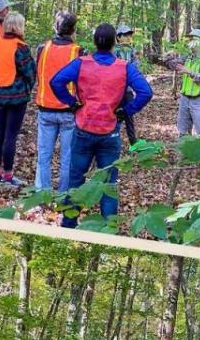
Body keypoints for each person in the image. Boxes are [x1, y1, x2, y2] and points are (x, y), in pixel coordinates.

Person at [51, 23, 153, 228]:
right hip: (109, 132)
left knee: (76, 178)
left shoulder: (82, 63)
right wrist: (126, 111)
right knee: (108, 183)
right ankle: (108, 229)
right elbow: (146, 92)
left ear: (95, 42)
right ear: (115, 42)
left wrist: (72, 103)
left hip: (84, 129)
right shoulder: (124, 67)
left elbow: (56, 81)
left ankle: (68, 224)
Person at [33, 11, 83, 193]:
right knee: (67, 156)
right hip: (68, 110)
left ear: (56, 27)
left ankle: (42, 192)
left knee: (44, 154)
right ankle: (64, 193)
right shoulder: (78, 52)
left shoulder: (42, 48)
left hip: (46, 108)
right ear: (73, 30)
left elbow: (37, 74)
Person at [0, 11, 37, 186]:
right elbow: (30, 72)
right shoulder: (20, 47)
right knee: (10, 136)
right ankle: (8, 175)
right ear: (19, 27)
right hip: (16, 98)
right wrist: (27, 89)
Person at [163, 28, 200, 137]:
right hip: (185, 98)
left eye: (193, 39)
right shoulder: (187, 57)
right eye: (189, 39)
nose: (189, 42)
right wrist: (168, 57)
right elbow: (171, 65)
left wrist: (190, 72)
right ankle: (184, 153)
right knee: (182, 130)